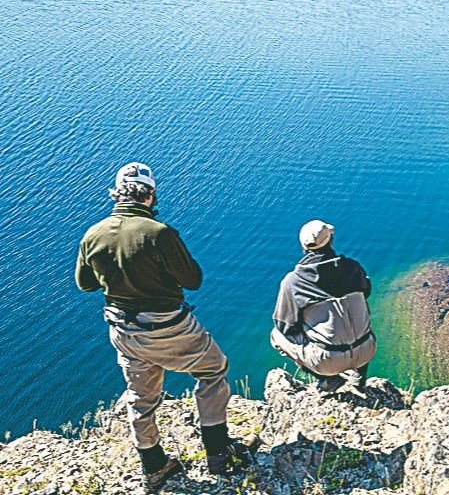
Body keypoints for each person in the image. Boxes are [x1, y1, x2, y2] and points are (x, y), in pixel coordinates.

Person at [75, 162, 259, 492]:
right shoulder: (159, 233)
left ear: (116, 194)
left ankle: (154, 466)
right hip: (169, 328)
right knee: (213, 370)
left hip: (124, 331)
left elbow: (85, 284)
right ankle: (218, 451)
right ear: (151, 194)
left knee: (140, 398)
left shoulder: (93, 234)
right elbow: (194, 279)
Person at [270, 219, 376, 394]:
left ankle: (328, 379)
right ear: (331, 241)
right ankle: (360, 379)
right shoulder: (353, 267)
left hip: (327, 361)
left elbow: (285, 326)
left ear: (304, 248)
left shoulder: (294, 282)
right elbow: (366, 293)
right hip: (367, 348)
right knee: (359, 313)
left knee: (276, 336)